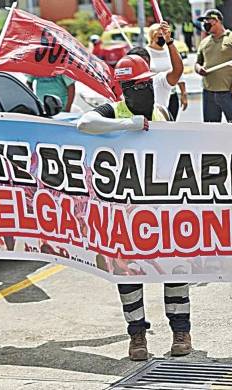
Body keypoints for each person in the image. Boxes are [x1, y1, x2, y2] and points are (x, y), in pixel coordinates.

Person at [77, 55, 192, 361]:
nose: (146, 89)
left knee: (175, 265)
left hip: (164, 206)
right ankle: (137, 335)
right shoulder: (114, 110)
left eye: (147, 83)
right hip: (126, 211)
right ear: (125, 89)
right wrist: (128, 125)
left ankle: (181, 331)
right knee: (128, 271)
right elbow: (84, 123)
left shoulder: (162, 111)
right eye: (138, 85)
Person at [195, 9, 232, 123]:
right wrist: (199, 69)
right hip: (209, 93)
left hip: (229, 92)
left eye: (207, 21)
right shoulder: (204, 42)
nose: (204, 24)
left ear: (216, 20)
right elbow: (197, 63)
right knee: (211, 128)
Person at [147, 22, 187, 120]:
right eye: (159, 35)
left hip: (172, 95)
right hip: (154, 97)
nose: (162, 38)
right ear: (152, 36)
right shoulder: (146, 52)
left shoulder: (170, 51)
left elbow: (178, 72)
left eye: (163, 35)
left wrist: (183, 93)